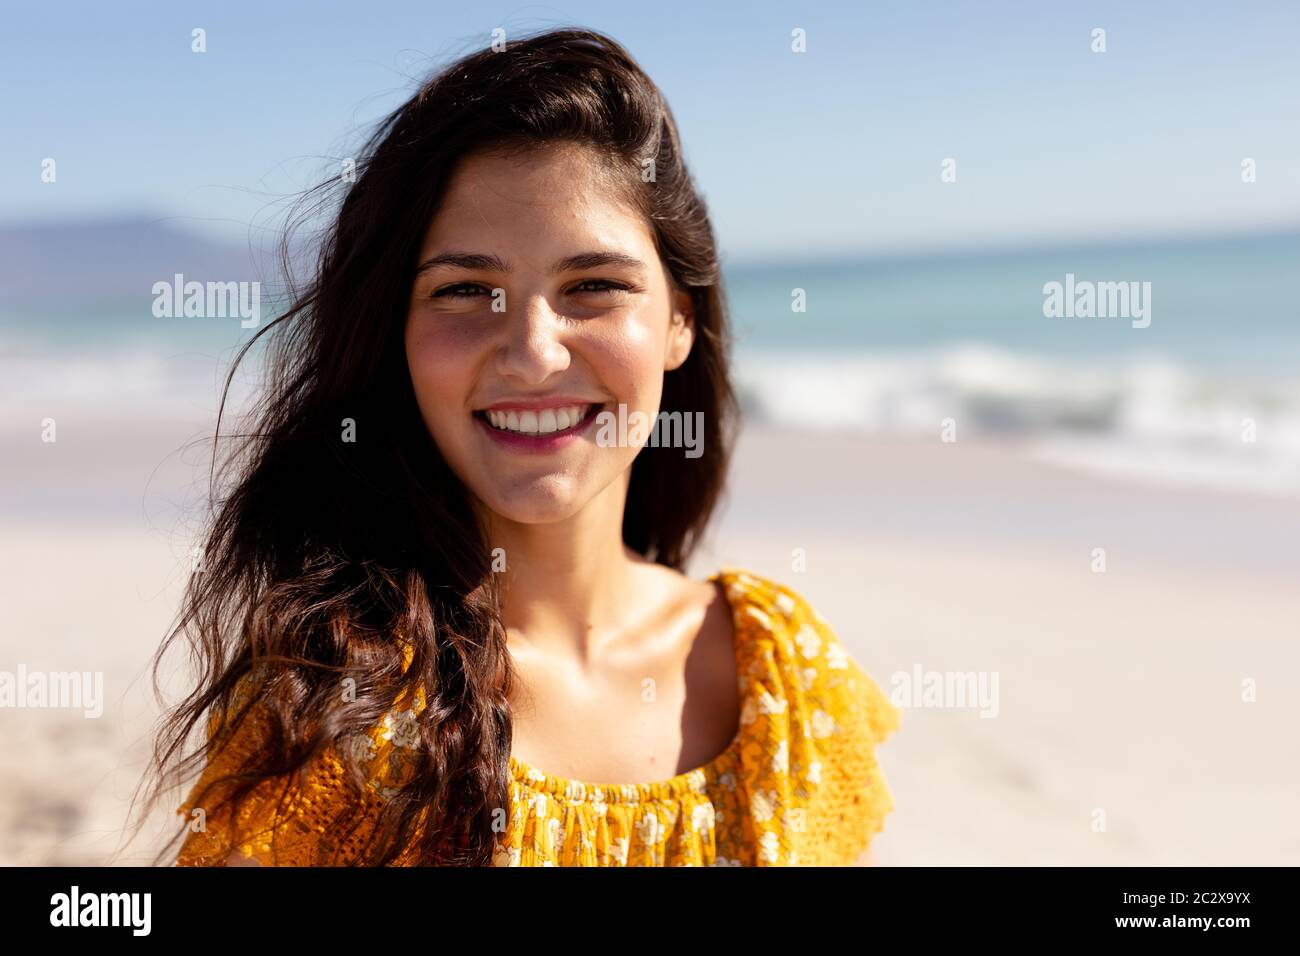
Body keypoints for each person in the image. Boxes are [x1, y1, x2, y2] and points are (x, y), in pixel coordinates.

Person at [146, 27, 899, 867]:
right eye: (467, 290)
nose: (534, 351)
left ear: (679, 321)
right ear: (395, 331)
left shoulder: (783, 677)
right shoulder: (335, 707)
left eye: (594, 287)